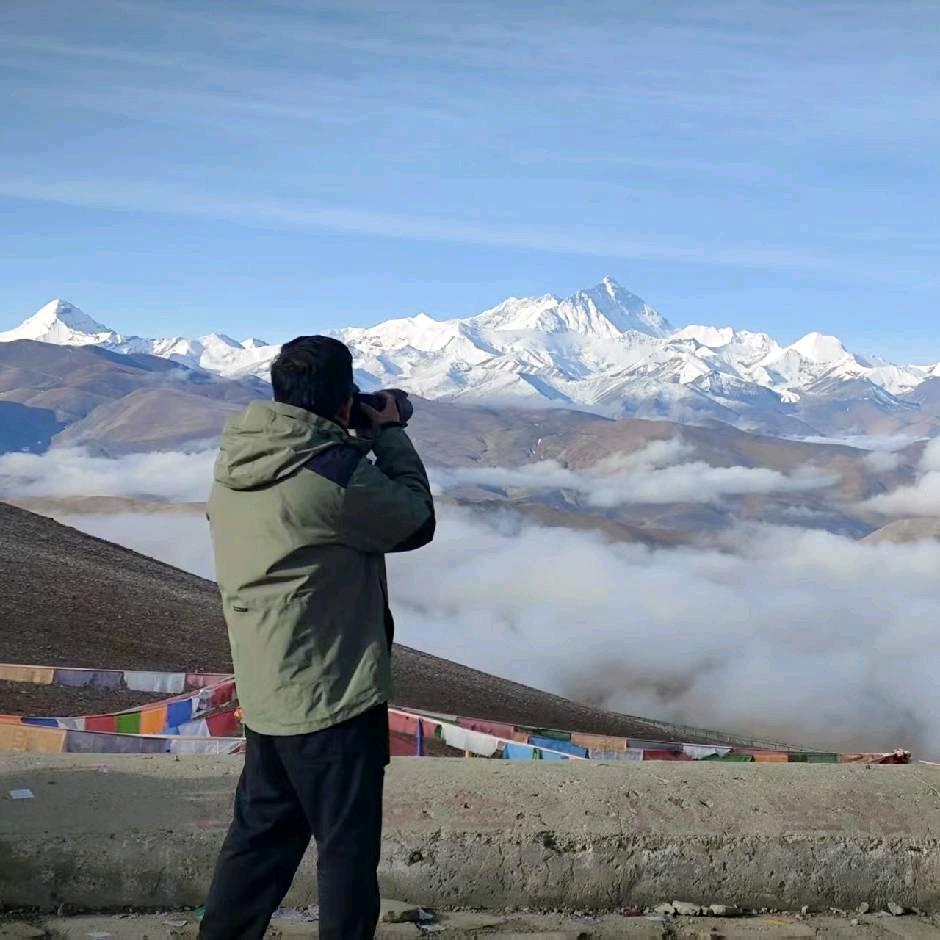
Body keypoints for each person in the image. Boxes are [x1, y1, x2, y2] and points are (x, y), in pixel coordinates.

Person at [199, 335, 435, 940]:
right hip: (333, 693)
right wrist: (388, 432)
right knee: (346, 854)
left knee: (259, 842)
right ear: (342, 400)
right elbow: (415, 520)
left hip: (267, 686)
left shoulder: (238, 459)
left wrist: (345, 433)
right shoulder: (335, 473)